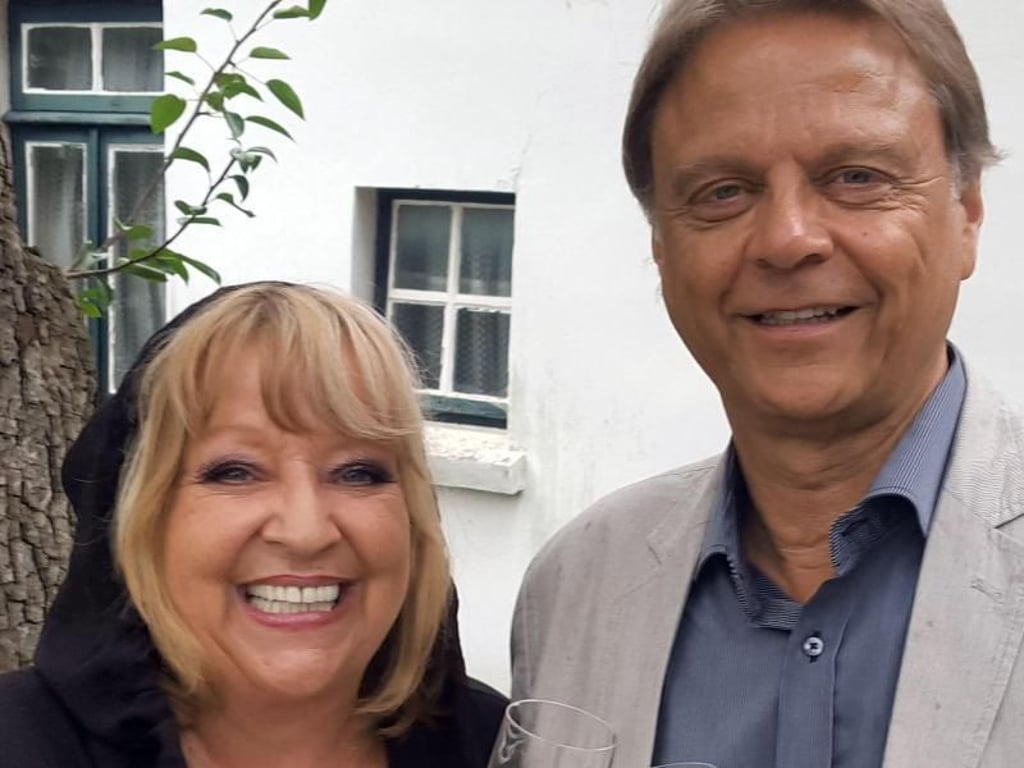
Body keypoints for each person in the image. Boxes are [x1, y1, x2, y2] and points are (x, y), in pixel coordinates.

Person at [511, 2, 1024, 767]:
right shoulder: (576, 585)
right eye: (723, 191)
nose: (788, 239)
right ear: (661, 246)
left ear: (968, 215)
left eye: (857, 177)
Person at [0, 282, 506, 767]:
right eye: (236, 472)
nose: (306, 532)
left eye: (357, 472)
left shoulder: (502, 749)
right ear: (142, 519)